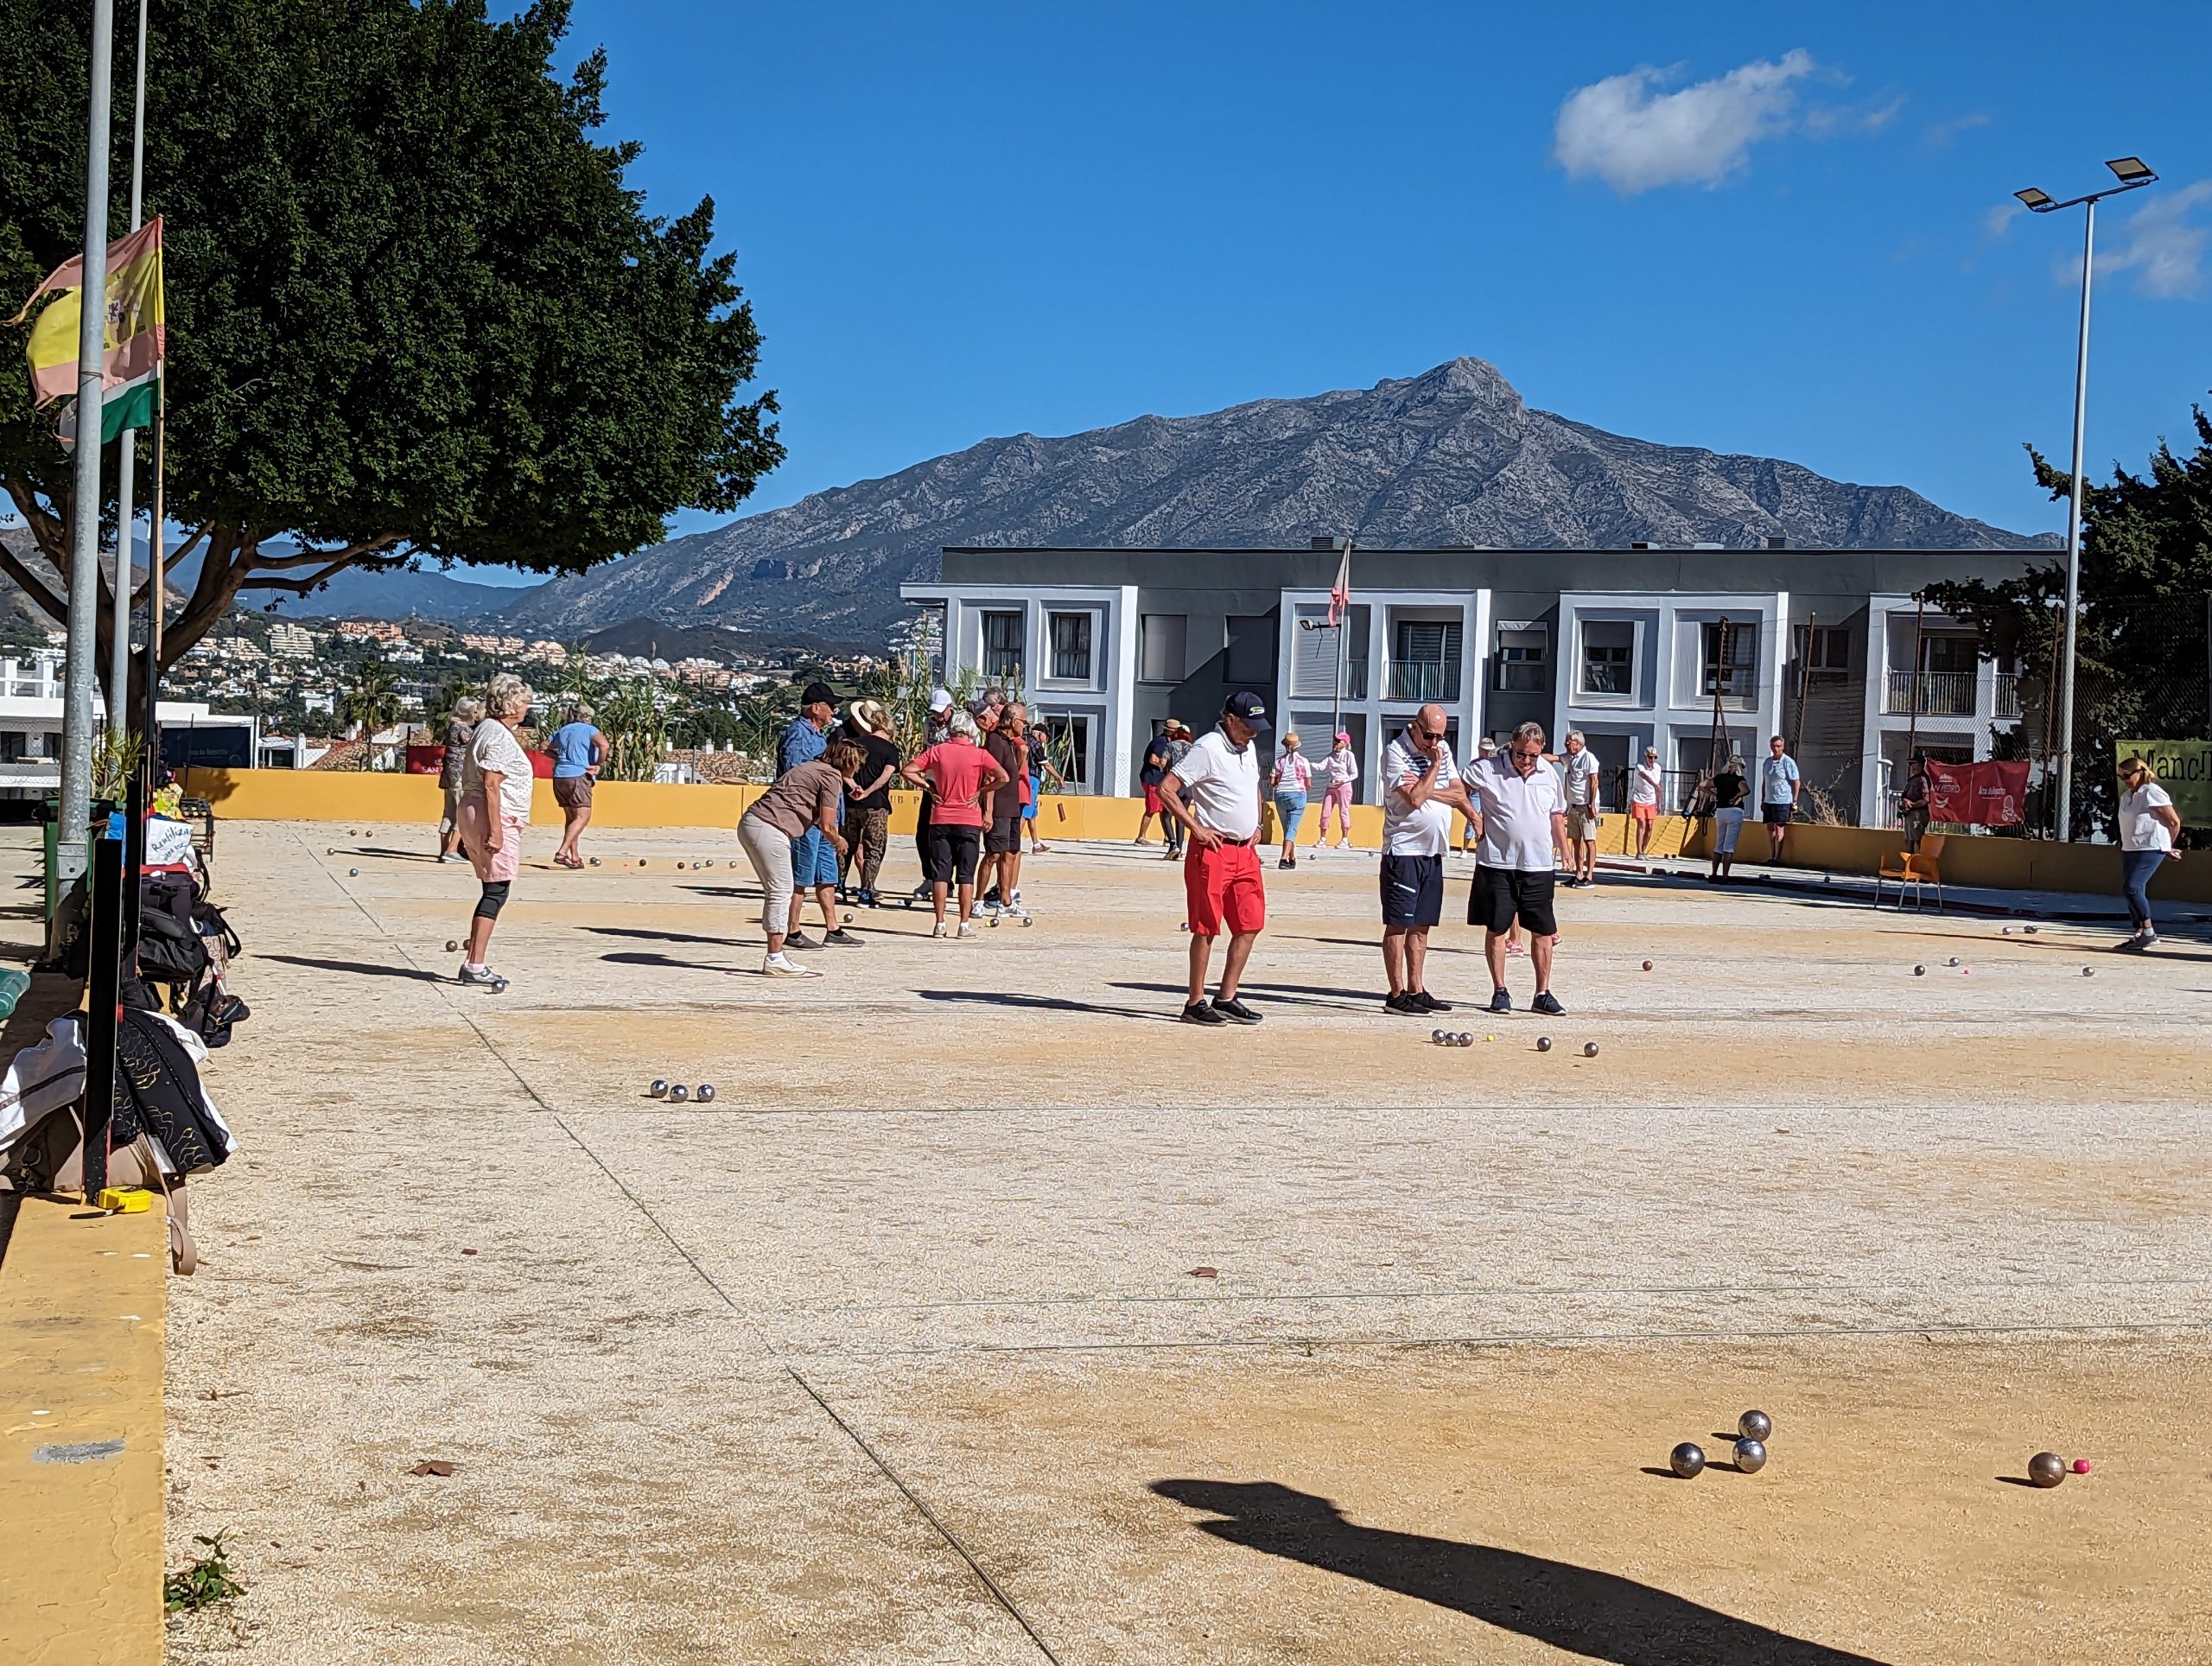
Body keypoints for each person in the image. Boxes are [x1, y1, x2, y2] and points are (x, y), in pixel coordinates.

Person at [1160, 693, 1271, 1026]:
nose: (1253, 732)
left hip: (1246, 852)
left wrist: (1258, 824)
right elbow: (1167, 788)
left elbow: (1253, 786)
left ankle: (1226, 997)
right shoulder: (1207, 748)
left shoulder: (1249, 747)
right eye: (1248, 725)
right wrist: (1195, 828)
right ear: (1230, 719)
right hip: (1213, 851)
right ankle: (1195, 1002)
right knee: (1206, 927)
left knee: (1251, 924)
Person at [1463, 721, 1569, 1016]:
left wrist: (1564, 848)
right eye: (1521, 753)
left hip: (1538, 865)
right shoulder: (1488, 768)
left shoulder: (1549, 773)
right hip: (1497, 862)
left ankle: (1542, 993)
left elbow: (1557, 813)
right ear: (1512, 747)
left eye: (1532, 755)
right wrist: (1474, 815)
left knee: (1543, 930)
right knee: (1497, 928)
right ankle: (1500, 990)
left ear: (1541, 751)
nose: (1526, 760)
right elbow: (1457, 788)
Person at [738, 737, 862, 976]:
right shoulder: (831, 777)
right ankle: (775, 957)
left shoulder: (812, 767)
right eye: (856, 764)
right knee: (781, 891)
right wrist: (839, 840)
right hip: (771, 828)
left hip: (752, 822)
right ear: (848, 762)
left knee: (775, 891)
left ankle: (776, 952)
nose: (857, 769)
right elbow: (827, 825)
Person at [1379, 704, 1463, 1015]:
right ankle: (1397, 993)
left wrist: (1430, 788)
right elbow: (1414, 798)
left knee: (1422, 926)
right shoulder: (1395, 752)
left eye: (1441, 736)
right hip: (1404, 851)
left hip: (1432, 851)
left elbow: (1459, 793)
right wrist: (1434, 769)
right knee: (1398, 925)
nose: (1435, 743)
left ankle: (1417, 989)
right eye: (1429, 736)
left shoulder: (1442, 749)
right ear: (1414, 727)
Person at [455, 675, 535, 988]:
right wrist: (496, 831)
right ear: (511, 704)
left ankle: (474, 955)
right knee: (497, 891)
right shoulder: (499, 735)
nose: (527, 707)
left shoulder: (488, 728)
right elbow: (491, 784)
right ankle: (475, 964)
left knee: (492, 888)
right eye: (524, 701)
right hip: (493, 815)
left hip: (476, 809)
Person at [902, 713, 1009, 937]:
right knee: (966, 875)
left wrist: (929, 788)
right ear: (971, 731)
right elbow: (1003, 778)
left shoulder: (938, 751)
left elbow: (908, 770)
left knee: (941, 873)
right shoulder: (979, 754)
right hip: (968, 818)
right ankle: (963, 924)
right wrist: (982, 791)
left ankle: (940, 923)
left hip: (940, 817)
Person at [778, 682, 849, 947]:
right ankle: (792, 930)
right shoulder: (798, 735)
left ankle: (833, 928)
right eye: (830, 706)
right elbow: (795, 777)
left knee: (827, 875)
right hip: (806, 819)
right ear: (816, 708)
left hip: (823, 821)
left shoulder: (820, 736)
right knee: (801, 875)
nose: (833, 711)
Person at [2117, 754, 2183, 949]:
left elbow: (2173, 822)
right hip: (2131, 847)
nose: (2124, 780)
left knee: (2133, 887)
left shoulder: (2152, 791)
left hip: (2151, 847)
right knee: (2129, 889)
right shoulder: (2127, 796)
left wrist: (2167, 845)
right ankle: (2139, 932)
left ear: (2140, 772)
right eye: (2120, 776)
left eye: (2127, 775)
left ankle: (2149, 932)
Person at [840, 700, 900, 906]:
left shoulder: (855, 744)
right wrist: (868, 791)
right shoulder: (890, 749)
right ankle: (866, 891)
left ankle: (839, 886)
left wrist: (854, 786)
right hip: (876, 805)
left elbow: (843, 771)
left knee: (847, 846)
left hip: (851, 803)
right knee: (874, 849)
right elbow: (885, 776)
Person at [978, 701, 1029, 919]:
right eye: (1023, 722)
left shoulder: (1010, 742)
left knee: (1010, 853)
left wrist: (1021, 758)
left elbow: (1010, 774)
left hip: (1012, 806)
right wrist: (988, 811)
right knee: (993, 854)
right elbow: (990, 777)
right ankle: (978, 900)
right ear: (1013, 720)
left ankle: (1005, 900)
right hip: (998, 807)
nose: (1025, 726)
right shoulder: (996, 741)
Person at [548, 702, 605, 869]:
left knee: (572, 818)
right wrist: (598, 763)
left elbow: (545, 747)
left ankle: (574, 857)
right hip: (578, 775)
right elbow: (604, 745)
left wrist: (559, 758)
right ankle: (562, 852)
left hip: (560, 776)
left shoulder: (563, 730)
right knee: (583, 816)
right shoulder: (589, 730)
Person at [911, 688, 955, 897]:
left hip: (953, 784)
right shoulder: (929, 724)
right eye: (935, 712)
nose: (938, 716)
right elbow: (925, 749)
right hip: (931, 782)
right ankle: (930, 877)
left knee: (949, 835)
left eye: (941, 712)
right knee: (923, 833)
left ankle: (946, 879)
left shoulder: (960, 725)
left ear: (950, 708)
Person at [437, 696, 481, 862]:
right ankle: (452, 849)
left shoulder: (452, 727)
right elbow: (476, 739)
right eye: (474, 712)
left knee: (449, 814)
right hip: (459, 776)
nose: (476, 715)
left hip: (449, 776)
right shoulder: (462, 729)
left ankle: (444, 850)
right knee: (462, 814)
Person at [1559, 730, 1601, 887]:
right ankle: (1578, 874)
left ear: (1578, 743)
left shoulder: (1588, 758)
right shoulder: (1570, 758)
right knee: (1576, 840)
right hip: (1573, 805)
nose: (1566, 744)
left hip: (1586, 805)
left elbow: (1594, 781)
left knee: (1589, 840)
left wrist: (1591, 803)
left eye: (1569, 742)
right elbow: (1555, 758)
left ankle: (1589, 875)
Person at [1270, 732, 1312, 869]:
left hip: (1280, 795)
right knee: (1292, 829)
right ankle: (1283, 859)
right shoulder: (1304, 761)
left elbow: (1272, 782)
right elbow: (1308, 784)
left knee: (1287, 829)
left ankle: (1292, 858)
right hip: (1298, 794)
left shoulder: (1278, 761)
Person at [1023, 717, 1063, 854]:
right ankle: (1014, 847)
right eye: (1047, 735)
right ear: (1040, 733)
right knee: (1025, 814)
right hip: (1031, 779)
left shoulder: (1024, 740)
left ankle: (1036, 845)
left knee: (1032, 815)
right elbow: (1046, 764)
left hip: (1029, 779)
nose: (1047, 739)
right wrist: (1058, 778)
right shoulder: (1034, 744)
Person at [1708, 754, 1750, 881]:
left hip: (1721, 811)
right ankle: (1725, 876)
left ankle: (1714, 874)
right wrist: (1737, 796)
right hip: (1735, 811)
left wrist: (1714, 795)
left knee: (1719, 844)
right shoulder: (1739, 779)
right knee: (1729, 846)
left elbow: (1703, 785)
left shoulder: (1720, 778)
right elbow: (1746, 790)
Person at [1315, 731, 1358, 852]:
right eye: (1335, 741)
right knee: (1325, 811)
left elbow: (1354, 773)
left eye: (1339, 741)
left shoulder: (1349, 755)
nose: (1336, 743)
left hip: (1344, 786)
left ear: (1344, 743)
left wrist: (1343, 780)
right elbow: (1321, 766)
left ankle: (1345, 839)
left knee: (1344, 811)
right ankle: (1322, 838)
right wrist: (1307, 764)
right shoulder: (1331, 755)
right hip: (1332, 785)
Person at [1761, 735, 1801, 862]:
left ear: (1783, 747)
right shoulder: (1767, 762)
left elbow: (1796, 782)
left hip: (1782, 799)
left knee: (1779, 827)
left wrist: (1794, 800)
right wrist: (1763, 799)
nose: (1776, 748)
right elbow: (1765, 781)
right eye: (1773, 746)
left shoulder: (1788, 762)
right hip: (1769, 800)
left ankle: (1777, 857)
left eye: (1778, 746)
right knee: (1770, 827)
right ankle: (1772, 855)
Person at [1136, 724, 1177, 846]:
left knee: (1164, 809)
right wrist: (1162, 765)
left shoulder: (1166, 742)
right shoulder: (1161, 742)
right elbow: (1153, 759)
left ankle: (1167, 837)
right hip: (1153, 780)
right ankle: (1141, 837)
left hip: (1158, 780)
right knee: (1152, 809)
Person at [1160, 721, 1195, 858]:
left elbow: (1163, 763)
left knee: (1165, 815)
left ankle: (1173, 844)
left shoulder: (1170, 746)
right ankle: (1179, 851)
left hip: (1174, 786)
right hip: (1188, 787)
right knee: (1181, 817)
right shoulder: (1193, 748)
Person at [1457, 737, 1495, 853]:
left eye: (1489, 750)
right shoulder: (1474, 764)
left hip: (1489, 794)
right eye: (1485, 750)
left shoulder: (1494, 763)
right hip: (1476, 795)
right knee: (1472, 820)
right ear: (1479, 749)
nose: (1487, 753)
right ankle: (1465, 849)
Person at [1630, 746, 1663, 858]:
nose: (1652, 760)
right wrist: (1654, 785)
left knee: (1650, 826)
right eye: (1650, 757)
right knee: (1641, 824)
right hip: (1638, 798)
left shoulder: (1657, 768)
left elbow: (1658, 788)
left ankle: (1644, 850)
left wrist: (1659, 803)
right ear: (1646, 757)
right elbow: (1644, 776)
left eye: (1654, 757)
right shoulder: (1639, 767)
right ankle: (1639, 852)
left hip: (1651, 800)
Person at [1897, 754, 1932, 854]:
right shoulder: (1912, 779)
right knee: (1908, 840)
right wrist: (1905, 802)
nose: (1911, 766)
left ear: (1920, 765)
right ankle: (1909, 862)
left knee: (1918, 840)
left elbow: (1926, 800)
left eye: (1914, 763)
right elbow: (1905, 795)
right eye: (1910, 764)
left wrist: (1912, 805)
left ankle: (1920, 862)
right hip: (1910, 814)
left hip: (1917, 814)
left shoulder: (1922, 779)